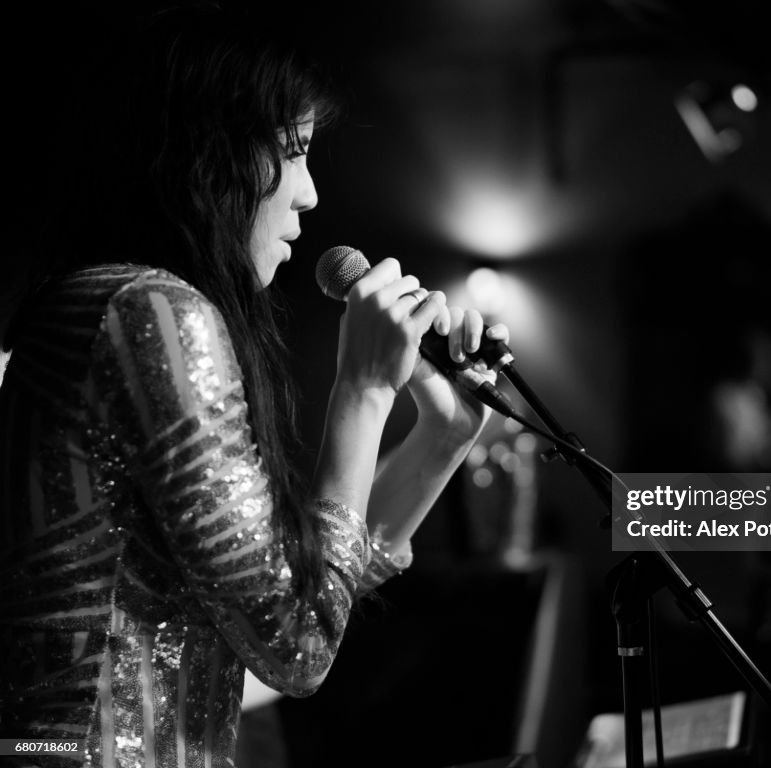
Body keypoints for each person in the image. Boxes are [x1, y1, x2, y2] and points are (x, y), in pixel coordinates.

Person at [0, 6, 507, 766]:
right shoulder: (151, 311)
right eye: (293, 150)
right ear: (204, 151)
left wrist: (441, 436)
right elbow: (298, 641)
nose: (308, 193)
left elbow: (309, 593)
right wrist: (363, 391)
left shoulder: (98, 298)